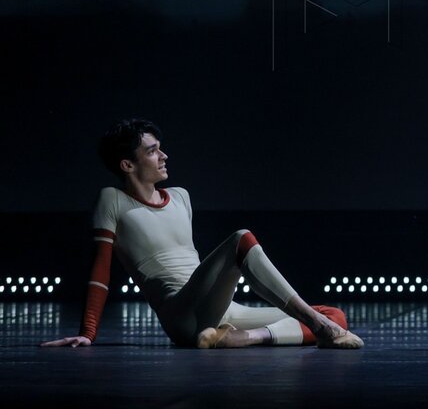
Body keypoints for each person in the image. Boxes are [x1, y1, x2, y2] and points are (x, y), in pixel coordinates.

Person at [41, 119, 364, 349]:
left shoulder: (180, 196)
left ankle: (243, 338)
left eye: (160, 149)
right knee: (241, 238)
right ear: (127, 165)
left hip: (220, 311)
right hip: (181, 315)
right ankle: (317, 327)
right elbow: (100, 270)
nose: (164, 156)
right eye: (153, 151)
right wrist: (88, 332)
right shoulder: (112, 199)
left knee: (334, 314)